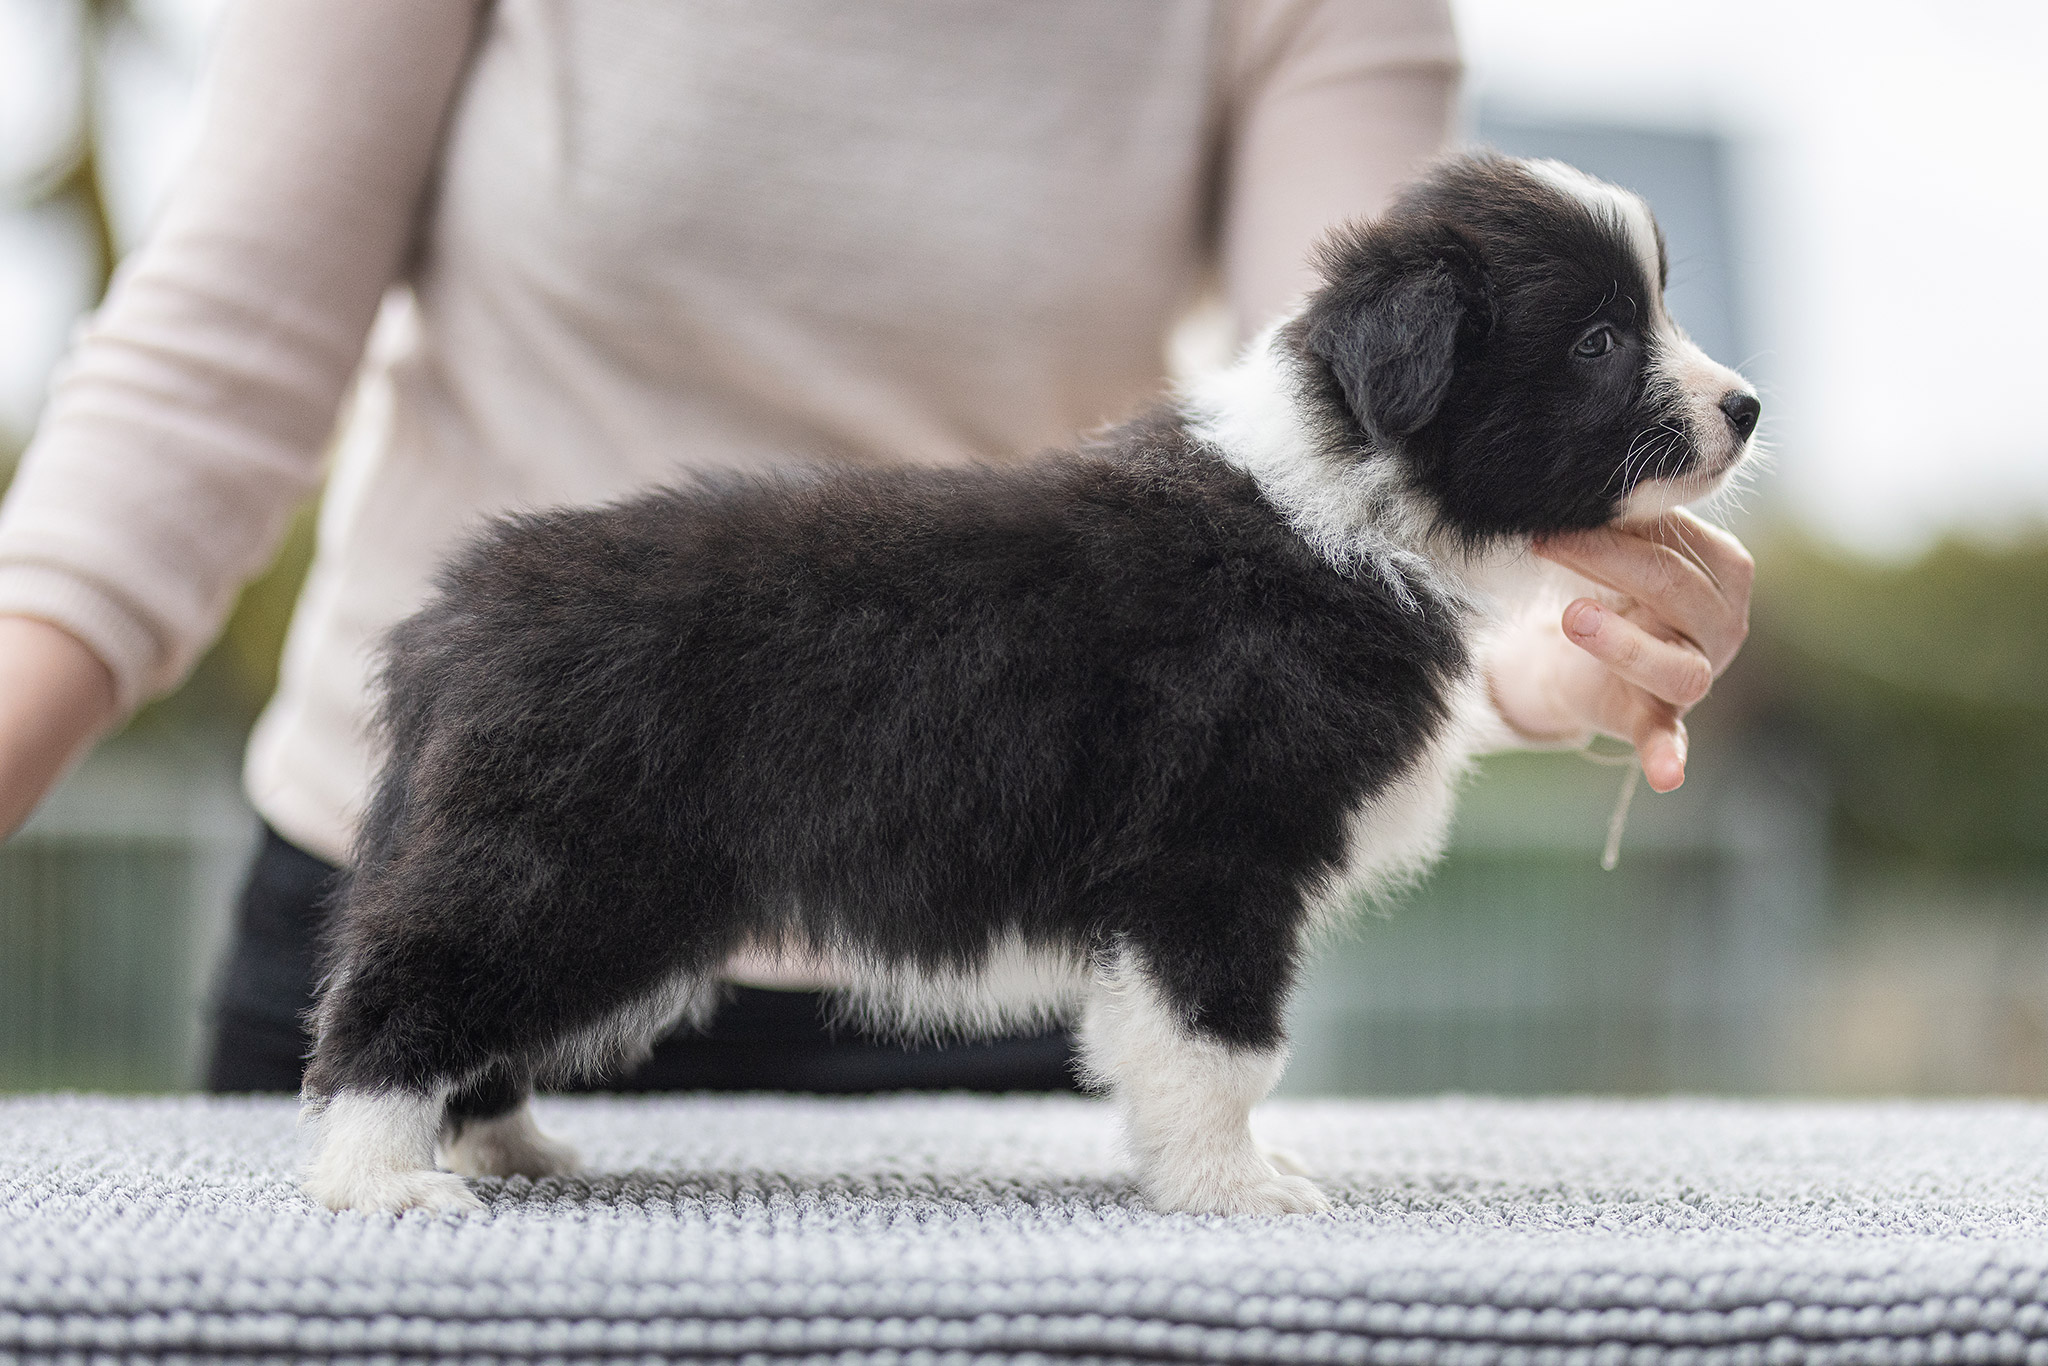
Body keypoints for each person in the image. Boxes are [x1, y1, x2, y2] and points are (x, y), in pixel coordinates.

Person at [0, 1, 1753, 1093]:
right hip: (487, 801)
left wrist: (1534, 643)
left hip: (990, 905)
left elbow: (1392, 433)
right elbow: (208, 364)